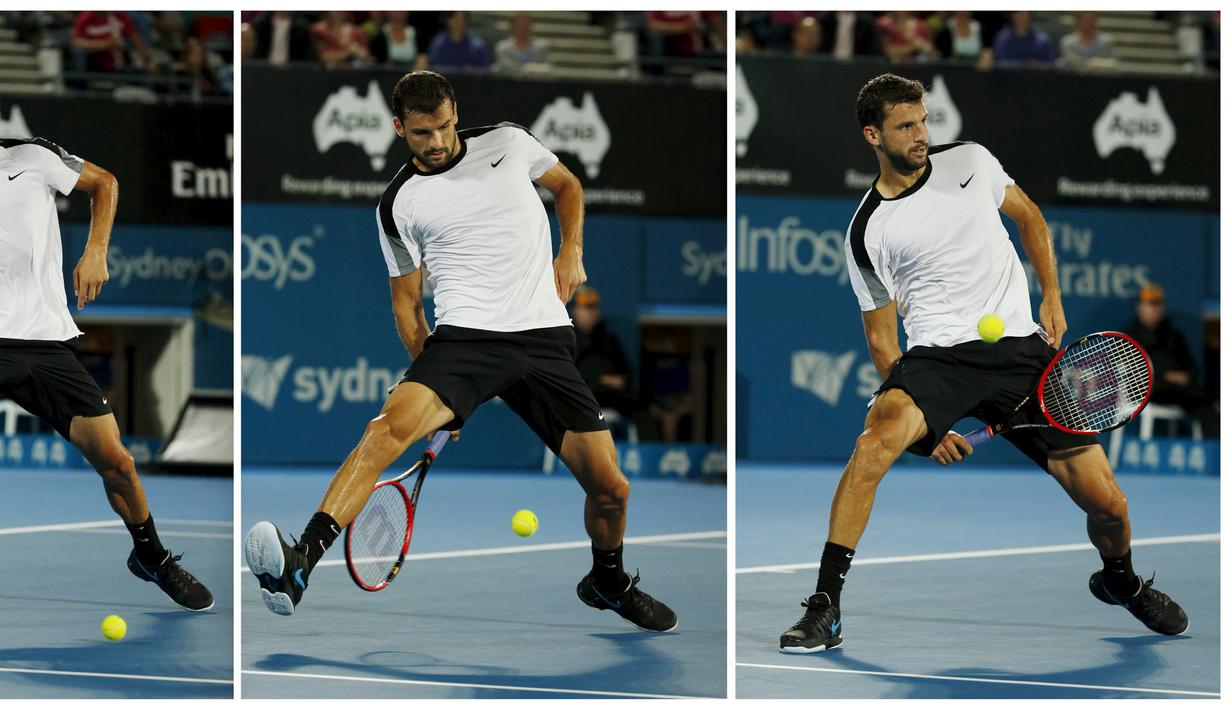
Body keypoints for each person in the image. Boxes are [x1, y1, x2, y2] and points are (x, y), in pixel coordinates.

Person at [243, 70, 677, 633]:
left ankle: (608, 581)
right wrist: (435, 384)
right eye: (423, 133)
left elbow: (568, 186)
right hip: (466, 341)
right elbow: (407, 307)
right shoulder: (397, 204)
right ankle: (301, 561)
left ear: (456, 112)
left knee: (611, 488)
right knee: (383, 433)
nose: (439, 142)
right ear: (399, 127)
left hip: (543, 339)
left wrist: (571, 250)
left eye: (446, 126)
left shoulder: (508, 142)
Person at [778, 74, 1187, 654]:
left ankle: (1119, 581)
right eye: (905, 126)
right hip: (939, 361)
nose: (921, 134)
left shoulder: (970, 159)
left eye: (923, 121)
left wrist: (1051, 295)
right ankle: (825, 607)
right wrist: (928, 425)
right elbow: (881, 340)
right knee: (873, 444)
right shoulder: (867, 229)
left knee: (1111, 505)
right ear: (873, 135)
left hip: (1023, 354)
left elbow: (1030, 218)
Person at [0, 138, 213, 611]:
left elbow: (104, 183)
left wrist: (96, 250)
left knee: (118, 462)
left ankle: (152, 557)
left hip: (40, 341)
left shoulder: (33, 155)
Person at [1123, 283, 1217, 436]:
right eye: (1150, 304)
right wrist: (1166, 376)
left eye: (1158, 303)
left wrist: (1184, 377)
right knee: (1205, 399)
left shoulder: (1173, 335)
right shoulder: (1130, 336)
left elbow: (1192, 369)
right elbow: (1132, 373)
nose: (1155, 308)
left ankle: (1214, 452)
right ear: (1139, 307)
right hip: (1147, 391)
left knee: (1210, 401)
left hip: (1177, 391)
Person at [571, 286, 637, 418]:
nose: (591, 312)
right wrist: (600, 381)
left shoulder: (608, 340)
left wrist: (617, 381)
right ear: (575, 310)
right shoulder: (567, 338)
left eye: (594, 307)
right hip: (579, 400)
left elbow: (627, 375)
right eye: (586, 307)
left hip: (611, 400)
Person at [71, 11, 157, 73]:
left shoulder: (120, 16)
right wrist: (105, 44)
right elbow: (77, 42)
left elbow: (136, 39)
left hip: (121, 64)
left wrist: (148, 61)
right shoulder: (85, 18)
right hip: (95, 64)